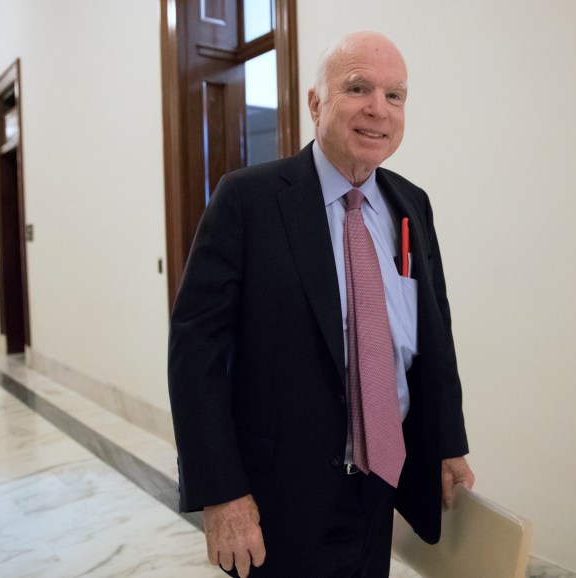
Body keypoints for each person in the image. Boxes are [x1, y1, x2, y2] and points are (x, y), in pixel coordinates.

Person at [168, 31, 474, 578]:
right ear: (316, 102)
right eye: (358, 88)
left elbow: (434, 331)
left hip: (383, 481)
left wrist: (448, 440)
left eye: (395, 95)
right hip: (276, 495)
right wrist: (222, 493)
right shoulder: (248, 200)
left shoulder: (411, 204)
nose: (378, 109)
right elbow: (196, 355)